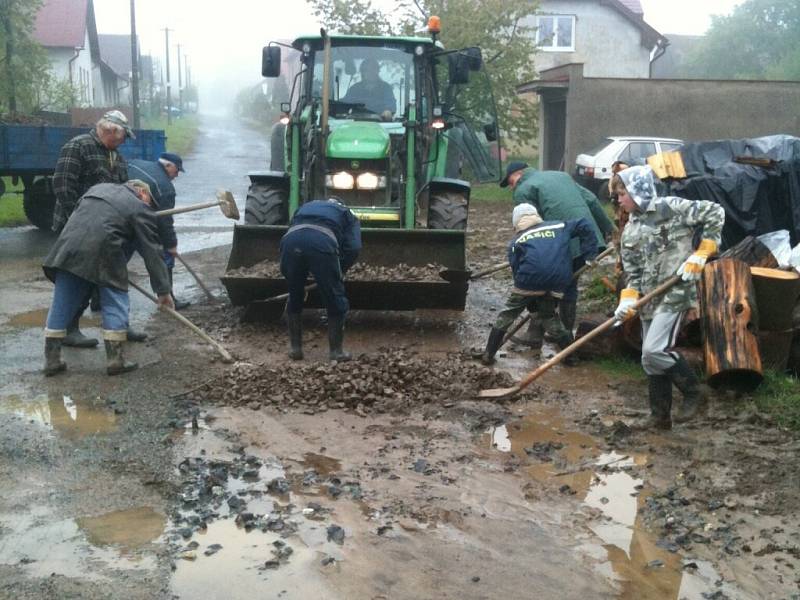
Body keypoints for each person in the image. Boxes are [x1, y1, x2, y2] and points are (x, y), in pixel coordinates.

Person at [612, 165, 725, 429]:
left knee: (654, 350)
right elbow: (633, 272)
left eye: (622, 194)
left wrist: (702, 251)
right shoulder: (630, 230)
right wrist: (627, 300)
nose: (618, 200)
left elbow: (715, 212)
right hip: (650, 298)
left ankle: (695, 393)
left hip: (676, 290)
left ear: (637, 191)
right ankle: (660, 417)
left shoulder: (670, 207)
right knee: (648, 359)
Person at [42, 180, 174, 377]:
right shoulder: (139, 208)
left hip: (68, 249)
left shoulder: (96, 188)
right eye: (149, 200)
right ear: (140, 191)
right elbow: (152, 251)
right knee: (115, 300)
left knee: (62, 303)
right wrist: (163, 290)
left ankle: (51, 361)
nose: (149, 206)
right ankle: (115, 360)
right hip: (105, 254)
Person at [500, 161, 615, 343]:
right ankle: (560, 333)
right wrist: (606, 229)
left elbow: (531, 225)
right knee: (568, 285)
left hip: (563, 243)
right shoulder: (560, 176)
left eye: (511, 182)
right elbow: (592, 200)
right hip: (588, 238)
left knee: (542, 283)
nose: (511, 188)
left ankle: (542, 334)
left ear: (518, 174)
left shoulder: (524, 189)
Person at [51, 110, 134, 348]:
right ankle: (69, 329)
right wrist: (79, 221)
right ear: (110, 130)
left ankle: (119, 325)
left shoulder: (115, 155)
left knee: (110, 276)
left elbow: (122, 190)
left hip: (105, 230)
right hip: (78, 228)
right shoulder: (78, 147)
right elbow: (63, 186)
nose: (123, 141)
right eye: (122, 136)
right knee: (79, 278)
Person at [479, 203, 598, 366]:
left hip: (528, 280)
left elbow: (516, 270)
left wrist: (528, 299)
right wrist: (589, 254)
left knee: (507, 315)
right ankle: (570, 357)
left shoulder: (516, 241)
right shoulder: (559, 225)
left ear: (517, 223)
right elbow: (584, 224)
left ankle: (488, 354)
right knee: (548, 316)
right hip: (559, 279)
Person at [279, 199, 362, 362]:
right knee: (335, 297)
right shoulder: (347, 212)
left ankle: (295, 350)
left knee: (295, 294)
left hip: (289, 242)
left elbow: (296, 232)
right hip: (321, 244)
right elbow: (354, 247)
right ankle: (336, 352)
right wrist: (340, 269)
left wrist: (297, 274)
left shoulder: (304, 207)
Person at [128, 152, 190, 310]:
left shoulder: (137, 163)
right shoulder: (165, 188)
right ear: (168, 165)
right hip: (138, 221)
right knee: (163, 257)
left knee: (116, 258)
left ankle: (97, 300)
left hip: (119, 217)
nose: (176, 176)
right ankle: (169, 299)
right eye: (176, 171)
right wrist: (171, 245)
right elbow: (165, 221)